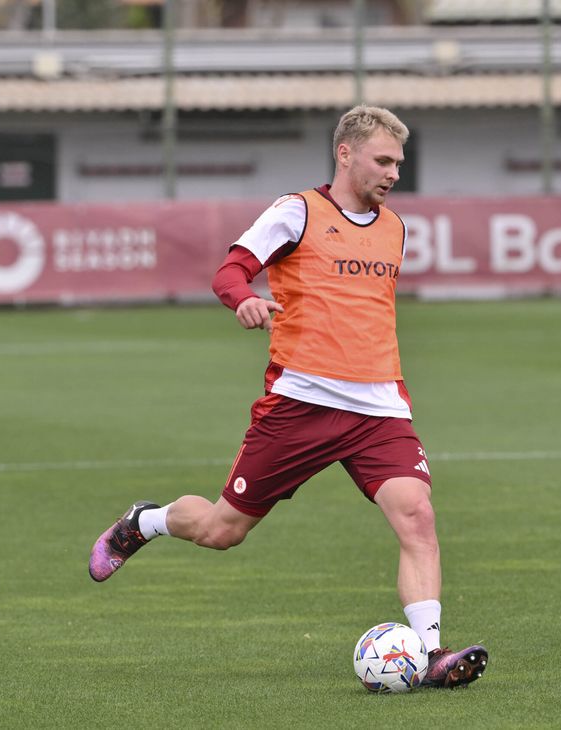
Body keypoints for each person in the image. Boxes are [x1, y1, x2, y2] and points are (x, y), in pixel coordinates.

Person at [89, 105, 488, 688]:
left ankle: (429, 656)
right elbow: (230, 271)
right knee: (222, 531)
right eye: (383, 160)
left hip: (380, 406)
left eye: (399, 163)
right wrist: (243, 300)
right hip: (300, 404)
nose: (393, 173)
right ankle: (144, 522)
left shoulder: (395, 227)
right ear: (345, 154)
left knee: (418, 517)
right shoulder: (296, 212)